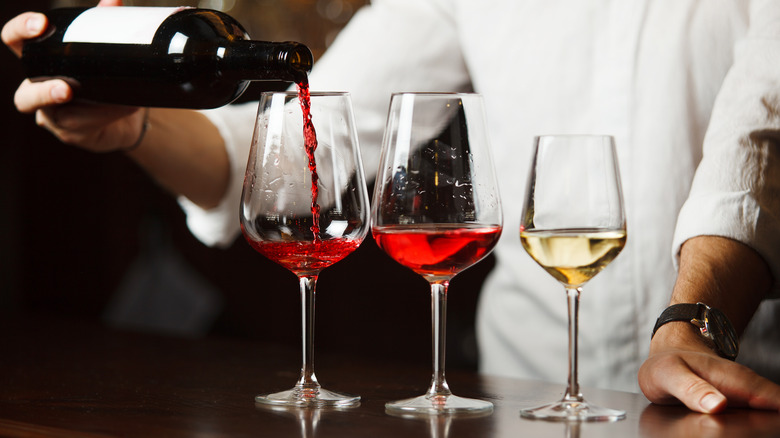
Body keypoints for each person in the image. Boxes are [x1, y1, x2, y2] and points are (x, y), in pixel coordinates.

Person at [4, 0, 780, 414]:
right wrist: (137, 124)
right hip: (523, 400)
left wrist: (692, 327)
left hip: (738, 398)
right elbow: (296, 168)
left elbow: (758, 136)